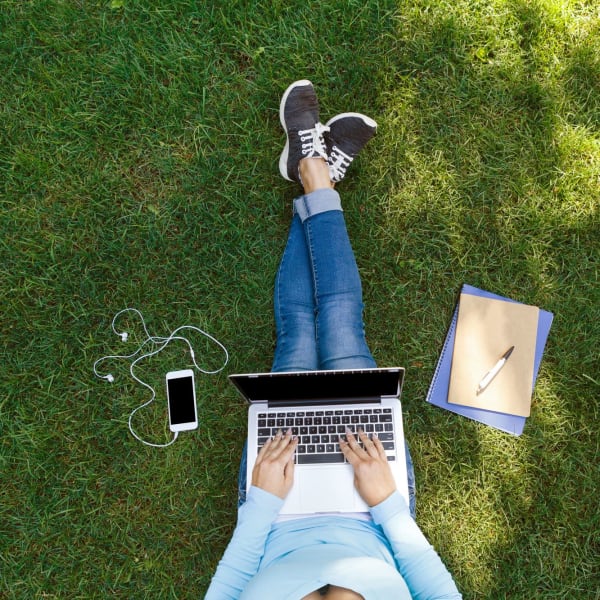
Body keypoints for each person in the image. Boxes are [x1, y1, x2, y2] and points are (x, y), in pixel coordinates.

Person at [205, 80, 462, 600]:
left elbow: (230, 584)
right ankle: (315, 174)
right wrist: (387, 504)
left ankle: (312, 171)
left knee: (298, 334)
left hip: (275, 513)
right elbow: (435, 587)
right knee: (343, 324)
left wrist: (261, 506)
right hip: (372, 510)